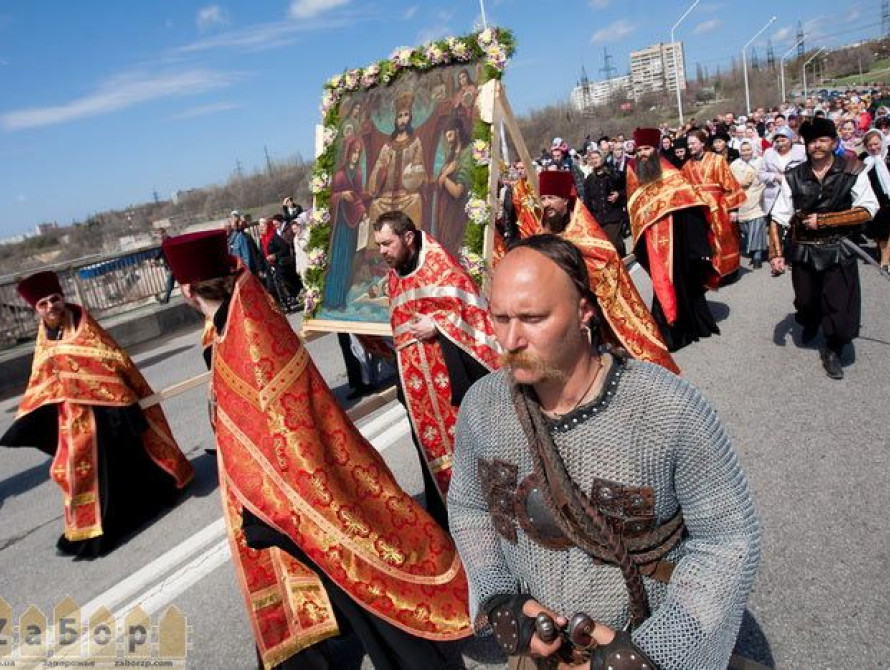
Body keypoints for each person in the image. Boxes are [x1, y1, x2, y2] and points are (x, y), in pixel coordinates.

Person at [162, 230, 472, 670]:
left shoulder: (247, 328)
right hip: (276, 487)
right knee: (338, 583)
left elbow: (273, 420)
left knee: (359, 577)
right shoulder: (226, 322)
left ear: (187, 289)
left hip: (297, 485)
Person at [448, 235, 762, 670]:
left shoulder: (667, 409)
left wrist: (648, 653)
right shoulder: (484, 406)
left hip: (642, 643)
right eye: (500, 319)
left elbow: (727, 541)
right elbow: (470, 508)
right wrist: (501, 601)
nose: (511, 339)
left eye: (533, 317)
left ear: (584, 312)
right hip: (538, 651)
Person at [0, 271, 194, 558]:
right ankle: (90, 526)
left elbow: (110, 360)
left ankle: (125, 515)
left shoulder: (83, 325)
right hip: (73, 418)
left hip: (107, 410)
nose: (51, 306)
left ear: (62, 298)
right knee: (73, 471)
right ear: (36, 310)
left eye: (54, 299)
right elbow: (40, 378)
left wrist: (120, 399)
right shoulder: (44, 337)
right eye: (43, 303)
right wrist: (27, 417)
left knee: (120, 463)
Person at [372, 210, 500, 527]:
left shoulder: (442, 269)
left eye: (387, 243)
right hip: (419, 398)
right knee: (432, 459)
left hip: (455, 386)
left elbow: (475, 317)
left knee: (473, 451)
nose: (382, 252)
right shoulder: (393, 276)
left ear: (409, 238)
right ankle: (453, 525)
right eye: (378, 245)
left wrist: (439, 325)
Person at [535, 169, 679, 374]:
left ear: (566, 200)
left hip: (597, 305)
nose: (546, 204)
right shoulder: (543, 231)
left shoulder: (583, 231)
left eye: (551, 198)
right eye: (543, 198)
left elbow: (606, 259)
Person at [769, 117, 878, 379]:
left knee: (840, 310)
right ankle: (810, 319)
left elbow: (868, 209)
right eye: (812, 142)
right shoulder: (794, 176)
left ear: (834, 142)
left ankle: (832, 348)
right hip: (804, 249)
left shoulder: (853, 169)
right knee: (806, 302)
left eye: (823, 140)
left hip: (839, 248)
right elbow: (778, 216)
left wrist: (826, 220)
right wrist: (776, 254)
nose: (817, 146)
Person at [626, 128, 721, 351]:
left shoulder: (670, 173)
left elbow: (690, 203)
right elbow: (633, 209)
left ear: (656, 149)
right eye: (639, 150)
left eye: (647, 149)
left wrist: (696, 246)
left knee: (684, 282)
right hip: (651, 239)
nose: (642, 154)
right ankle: (671, 331)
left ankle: (688, 328)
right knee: (662, 283)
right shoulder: (634, 176)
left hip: (677, 238)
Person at [684, 129, 746, 280]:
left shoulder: (717, 160)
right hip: (699, 210)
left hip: (720, 207)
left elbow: (730, 185)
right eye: (688, 144)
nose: (690, 146)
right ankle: (711, 273)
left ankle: (728, 272)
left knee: (724, 238)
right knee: (705, 242)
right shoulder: (686, 166)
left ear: (702, 143)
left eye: (693, 143)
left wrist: (733, 209)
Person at [367, 91, 427, 226]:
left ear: (410, 118)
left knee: (416, 200)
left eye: (406, 115)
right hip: (387, 197)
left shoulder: (415, 142)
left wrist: (413, 177)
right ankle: (378, 246)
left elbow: (419, 167)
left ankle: (413, 244)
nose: (402, 120)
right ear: (395, 120)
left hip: (407, 196)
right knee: (375, 205)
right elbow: (378, 168)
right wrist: (376, 185)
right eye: (399, 116)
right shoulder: (388, 146)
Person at [325, 136, 367, 310]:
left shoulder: (357, 173)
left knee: (348, 260)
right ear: (347, 153)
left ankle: (341, 299)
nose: (356, 156)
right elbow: (330, 197)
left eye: (358, 152)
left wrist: (363, 211)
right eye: (353, 152)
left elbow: (358, 194)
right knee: (338, 260)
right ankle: (332, 299)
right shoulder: (339, 174)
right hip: (340, 223)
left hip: (352, 221)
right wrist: (341, 196)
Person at [433, 116, 473, 254]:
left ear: (457, 131)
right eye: (446, 136)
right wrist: (444, 176)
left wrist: (444, 177)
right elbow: (439, 182)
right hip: (449, 211)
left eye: (450, 135)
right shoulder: (451, 155)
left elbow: (457, 191)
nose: (449, 139)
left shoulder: (467, 152)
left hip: (460, 211)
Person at [730, 142, 769, 268]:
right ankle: (753, 250)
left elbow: (766, 177)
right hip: (742, 200)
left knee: (757, 226)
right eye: (743, 150)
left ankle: (757, 256)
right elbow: (730, 182)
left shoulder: (761, 161)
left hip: (757, 197)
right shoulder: (735, 164)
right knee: (746, 228)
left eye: (748, 150)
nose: (746, 152)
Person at [582, 149, 627, 256]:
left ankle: (623, 256)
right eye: (592, 159)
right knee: (607, 245)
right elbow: (587, 200)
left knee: (615, 242)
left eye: (596, 158)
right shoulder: (589, 179)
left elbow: (626, 188)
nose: (594, 160)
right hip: (599, 217)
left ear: (602, 158)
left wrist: (618, 194)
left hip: (613, 214)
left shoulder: (614, 174)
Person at [862, 128, 890, 270]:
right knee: (879, 232)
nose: (873, 148)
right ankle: (882, 251)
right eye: (870, 145)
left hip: (888, 200)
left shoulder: (888, 157)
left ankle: (885, 260)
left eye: (876, 144)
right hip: (875, 201)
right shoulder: (865, 160)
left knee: (886, 231)